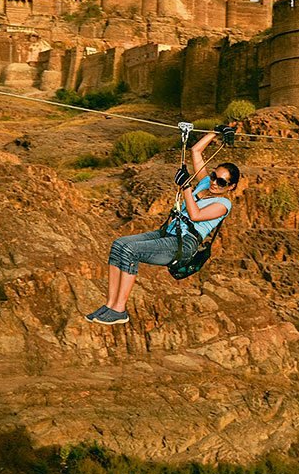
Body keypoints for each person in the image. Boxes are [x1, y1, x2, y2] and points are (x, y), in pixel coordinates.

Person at [86, 127, 240, 326]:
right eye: (213, 176)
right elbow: (195, 151)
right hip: (168, 232)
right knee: (118, 245)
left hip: (183, 245)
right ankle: (110, 305)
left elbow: (196, 215)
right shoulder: (204, 184)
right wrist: (216, 131)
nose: (214, 183)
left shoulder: (223, 204)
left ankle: (120, 309)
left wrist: (185, 186)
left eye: (221, 182)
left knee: (131, 251)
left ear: (231, 187)